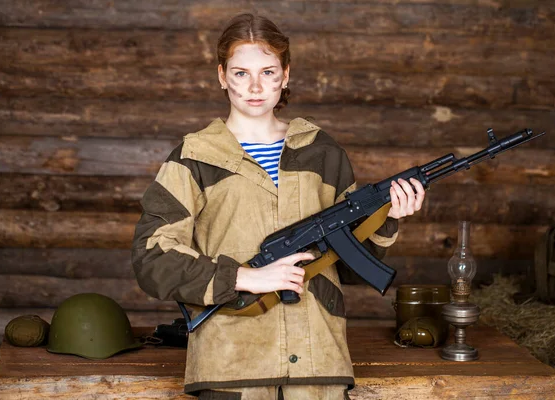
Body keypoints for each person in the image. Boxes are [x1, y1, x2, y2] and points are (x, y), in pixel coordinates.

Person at [132, 13, 425, 400]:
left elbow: (351, 263)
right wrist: (244, 278)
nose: (255, 86)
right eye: (240, 73)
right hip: (232, 365)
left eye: (268, 72)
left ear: (285, 75)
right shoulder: (193, 158)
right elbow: (152, 257)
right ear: (222, 76)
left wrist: (389, 217)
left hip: (319, 364)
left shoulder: (322, 152)